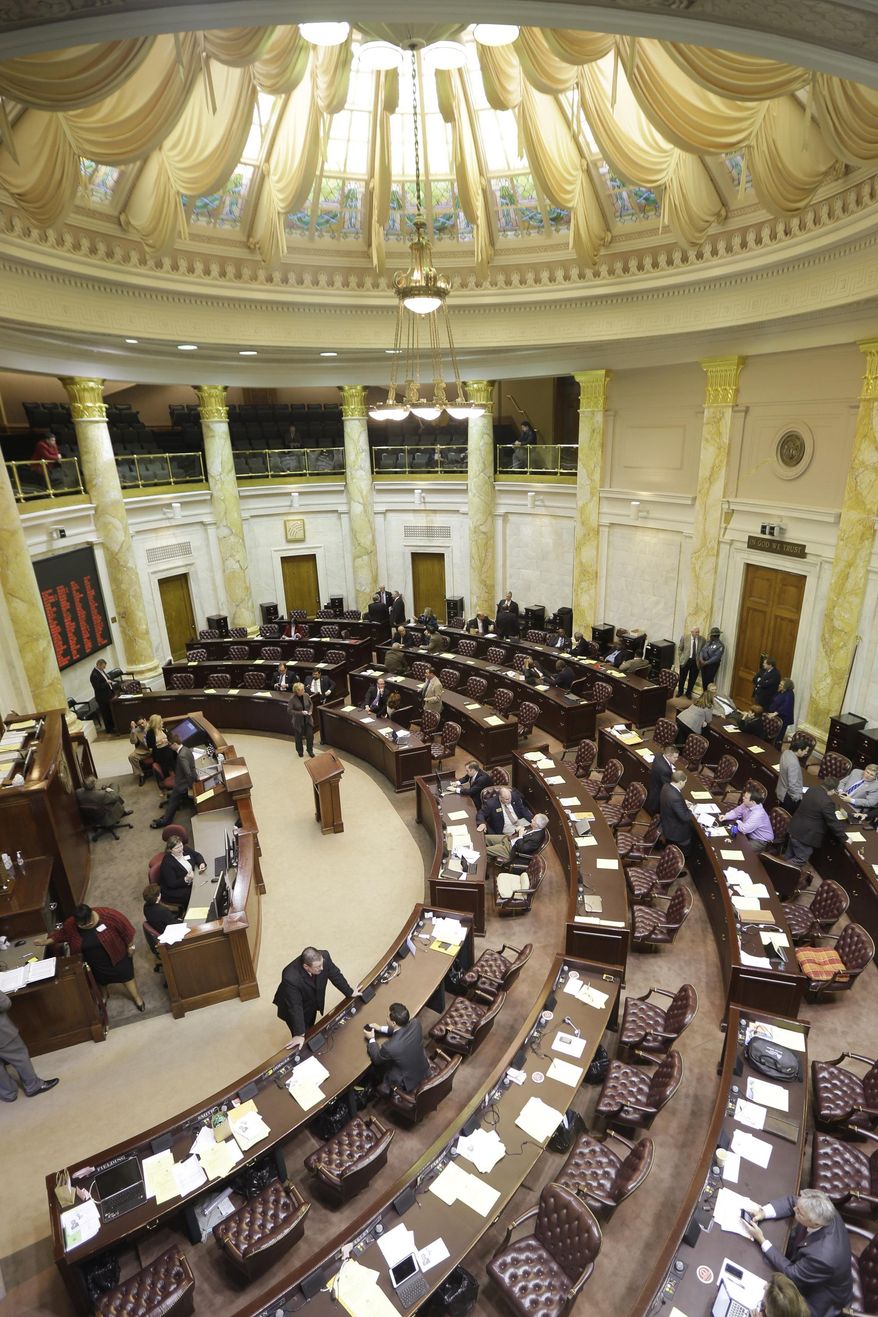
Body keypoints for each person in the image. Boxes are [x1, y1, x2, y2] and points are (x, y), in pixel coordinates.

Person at [742, 1189, 852, 1317]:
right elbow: (791, 1202)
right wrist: (762, 1212)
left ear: (815, 1223)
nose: (794, 1209)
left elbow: (792, 1274)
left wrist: (762, 1240)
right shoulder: (819, 1208)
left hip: (816, 1298)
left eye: (799, 1212)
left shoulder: (823, 1258)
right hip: (809, 1266)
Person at [43, 904, 145, 1012]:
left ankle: (136, 997)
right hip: (93, 962)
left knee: (127, 977)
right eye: (84, 925)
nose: (88, 925)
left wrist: (131, 946)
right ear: (76, 922)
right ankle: (104, 996)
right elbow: (61, 935)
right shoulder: (70, 924)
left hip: (118, 955)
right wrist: (45, 942)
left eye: (90, 922)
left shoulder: (109, 915)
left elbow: (126, 930)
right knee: (100, 981)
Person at [273, 946, 355, 1049]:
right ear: (306, 967)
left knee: (310, 1028)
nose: (322, 968)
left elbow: (335, 975)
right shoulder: (290, 977)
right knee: (303, 1036)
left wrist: (350, 992)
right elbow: (295, 1006)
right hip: (291, 1005)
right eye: (318, 967)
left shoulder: (324, 957)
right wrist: (299, 1034)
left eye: (322, 964)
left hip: (310, 1001)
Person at [0, 991, 58, 1100]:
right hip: (2, 1034)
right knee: (19, 1056)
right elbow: (5, 1003)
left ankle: (8, 1093)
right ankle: (33, 1086)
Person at [364, 1002, 430, 1094]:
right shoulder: (416, 1023)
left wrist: (371, 1039)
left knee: (375, 1069)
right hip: (423, 1068)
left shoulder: (390, 1047)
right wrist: (380, 1028)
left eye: (388, 1017)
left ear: (394, 1022)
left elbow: (377, 1059)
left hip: (408, 1081)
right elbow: (401, 1029)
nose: (386, 1018)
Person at [784, 778, 847, 868]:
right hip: (805, 836)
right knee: (800, 859)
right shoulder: (827, 802)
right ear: (833, 790)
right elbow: (832, 822)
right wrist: (844, 837)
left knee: (789, 854)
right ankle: (781, 867)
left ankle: (781, 873)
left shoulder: (812, 789)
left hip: (795, 828)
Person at [150, 732, 198, 828]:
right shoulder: (187, 749)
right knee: (173, 800)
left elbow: (187, 772)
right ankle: (165, 817)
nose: (169, 747)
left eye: (170, 745)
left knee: (172, 801)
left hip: (182, 783)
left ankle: (166, 820)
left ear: (175, 744)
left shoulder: (181, 756)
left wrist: (191, 786)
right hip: (185, 779)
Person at [721, 781, 774, 852]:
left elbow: (744, 829)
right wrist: (726, 816)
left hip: (760, 840)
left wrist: (738, 821)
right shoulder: (746, 804)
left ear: (753, 802)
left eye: (745, 798)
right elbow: (736, 812)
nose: (743, 798)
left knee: (740, 850)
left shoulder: (758, 814)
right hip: (749, 832)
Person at [158, 835, 205, 909]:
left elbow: (196, 855)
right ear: (170, 850)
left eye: (181, 846)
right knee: (194, 895)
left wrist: (201, 863)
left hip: (189, 880)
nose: (180, 849)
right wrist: (186, 879)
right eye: (177, 848)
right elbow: (172, 883)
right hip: (173, 890)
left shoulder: (185, 849)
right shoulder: (167, 863)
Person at [660, 770, 693, 855]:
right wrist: (692, 809)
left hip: (666, 823)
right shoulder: (675, 798)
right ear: (681, 782)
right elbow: (685, 817)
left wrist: (683, 803)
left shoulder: (666, 786)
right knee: (692, 831)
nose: (685, 784)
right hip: (675, 831)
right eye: (685, 782)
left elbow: (671, 803)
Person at [777, 734, 812, 813]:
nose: (806, 753)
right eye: (805, 751)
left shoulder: (786, 753)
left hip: (781, 791)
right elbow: (792, 785)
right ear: (799, 750)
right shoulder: (794, 764)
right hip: (788, 798)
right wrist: (798, 798)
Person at [645, 744, 679, 815]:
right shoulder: (665, 770)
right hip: (657, 793)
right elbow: (667, 786)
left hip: (653, 784)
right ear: (668, 755)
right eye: (675, 757)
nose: (676, 759)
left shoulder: (658, 755)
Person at [90, 658, 117, 733]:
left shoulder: (101, 671)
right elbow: (98, 687)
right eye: (103, 666)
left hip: (108, 694)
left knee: (110, 711)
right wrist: (107, 683)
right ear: (98, 665)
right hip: (102, 698)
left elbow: (105, 679)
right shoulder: (94, 675)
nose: (104, 668)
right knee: (106, 713)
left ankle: (114, 726)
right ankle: (109, 729)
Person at [288, 682, 315, 758]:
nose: (304, 691)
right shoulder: (292, 699)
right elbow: (289, 711)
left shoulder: (306, 695)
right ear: (297, 691)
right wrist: (301, 713)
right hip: (298, 722)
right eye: (302, 690)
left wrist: (310, 711)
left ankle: (310, 750)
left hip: (308, 720)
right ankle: (300, 751)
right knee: (298, 738)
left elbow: (311, 704)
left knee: (310, 736)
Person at [677, 628, 704, 699]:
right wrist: (681, 658)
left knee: (692, 679)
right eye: (696, 632)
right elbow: (680, 648)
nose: (697, 634)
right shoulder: (685, 637)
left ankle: (688, 693)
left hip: (696, 662)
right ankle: (680, 691)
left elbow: (703, 651)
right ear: (691, 632)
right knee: (682, 677)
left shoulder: (702, 639)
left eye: (698, 632)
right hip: (686, 661)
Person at [769, 678, 796, 744]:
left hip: (783, 718)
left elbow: (786, 706)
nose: (779, 685)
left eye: (781, 684)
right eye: (780, 684)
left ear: (786, 686)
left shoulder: (790, 694)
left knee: (778, 737)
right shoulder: (781, 691)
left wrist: (775, 713)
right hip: (776, 716)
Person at [127, 717, 151, 783]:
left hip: (155, 748)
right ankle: (141, 774)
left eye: (142, 723)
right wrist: (133, 730)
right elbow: (133, 742)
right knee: (131, 757)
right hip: (144, 749)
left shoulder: (152, 726)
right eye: (139, 725)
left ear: (145, 720)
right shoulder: (136, 730)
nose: (142, 725)